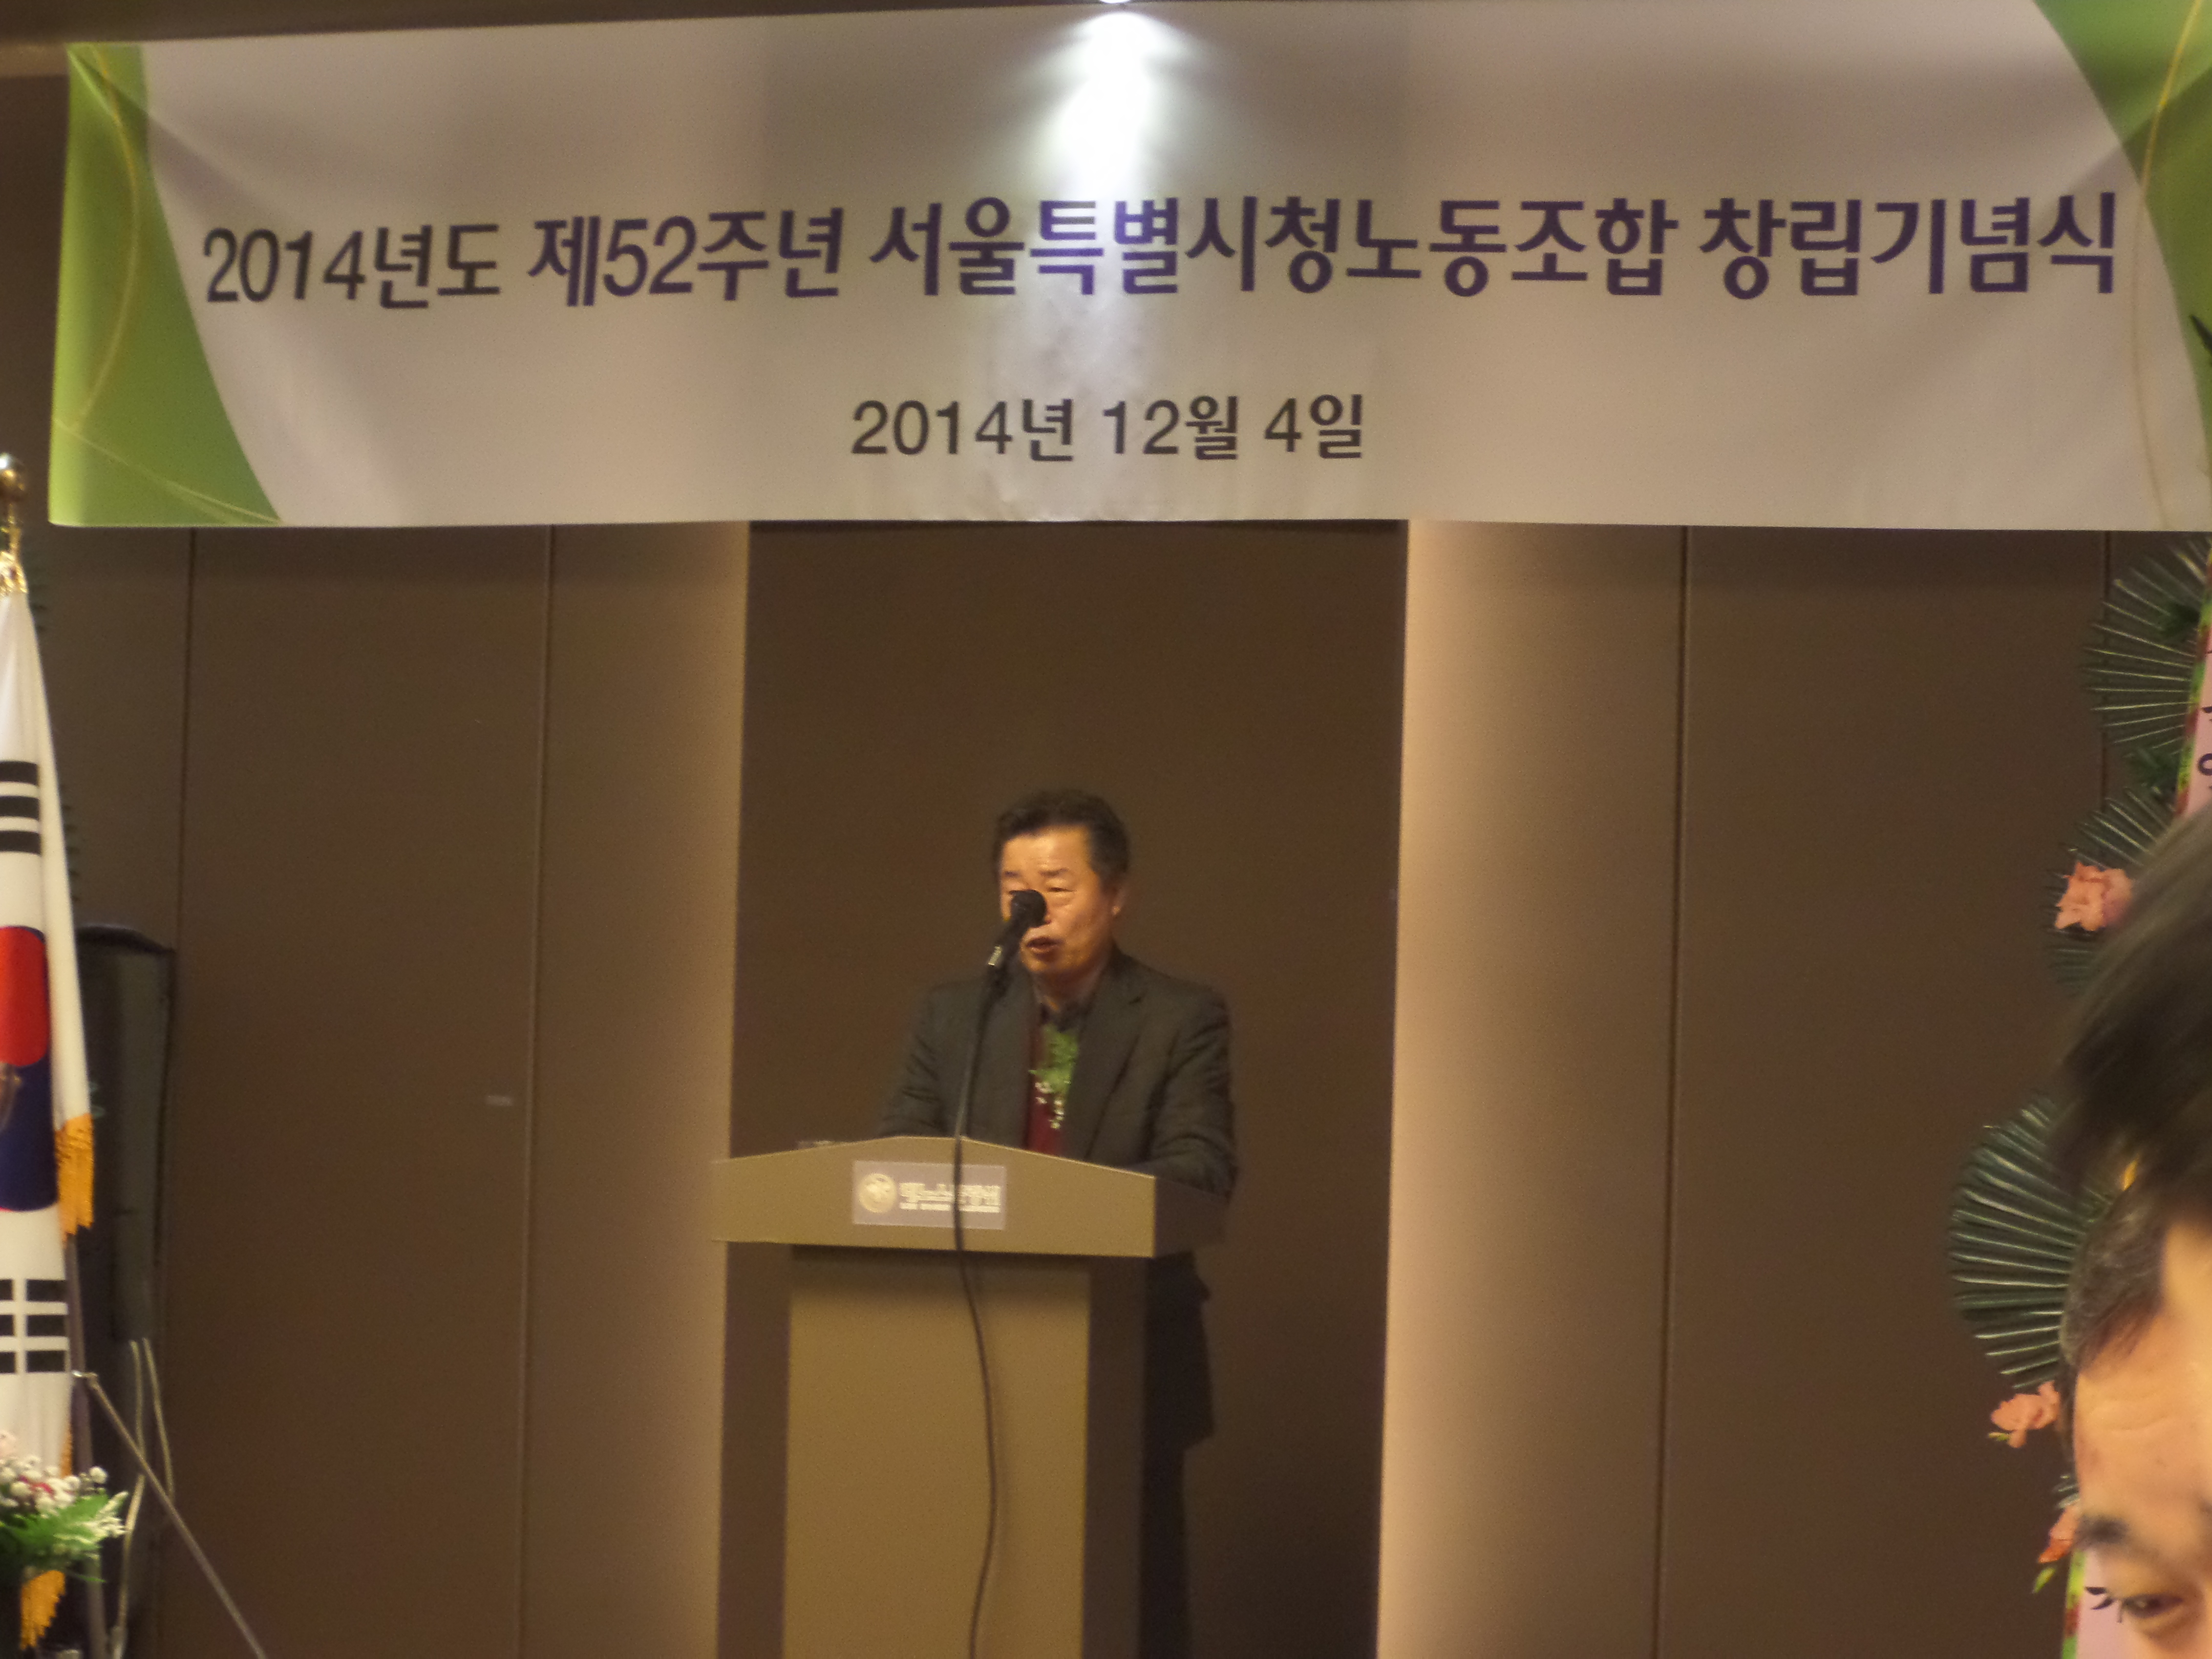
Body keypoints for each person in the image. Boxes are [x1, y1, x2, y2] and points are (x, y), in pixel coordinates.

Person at [879, 788, 1236, 1659]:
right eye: (1015, 890)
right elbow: (903, 1152)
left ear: (1116, 896)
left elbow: (1201, 1169)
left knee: (1128, 1609)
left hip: (1126, 1354)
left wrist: (1053, 1203)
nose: (1032, 909)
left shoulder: (1180, 1017)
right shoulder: (954, 1016)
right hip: (973, 1356)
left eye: (1057, 887)